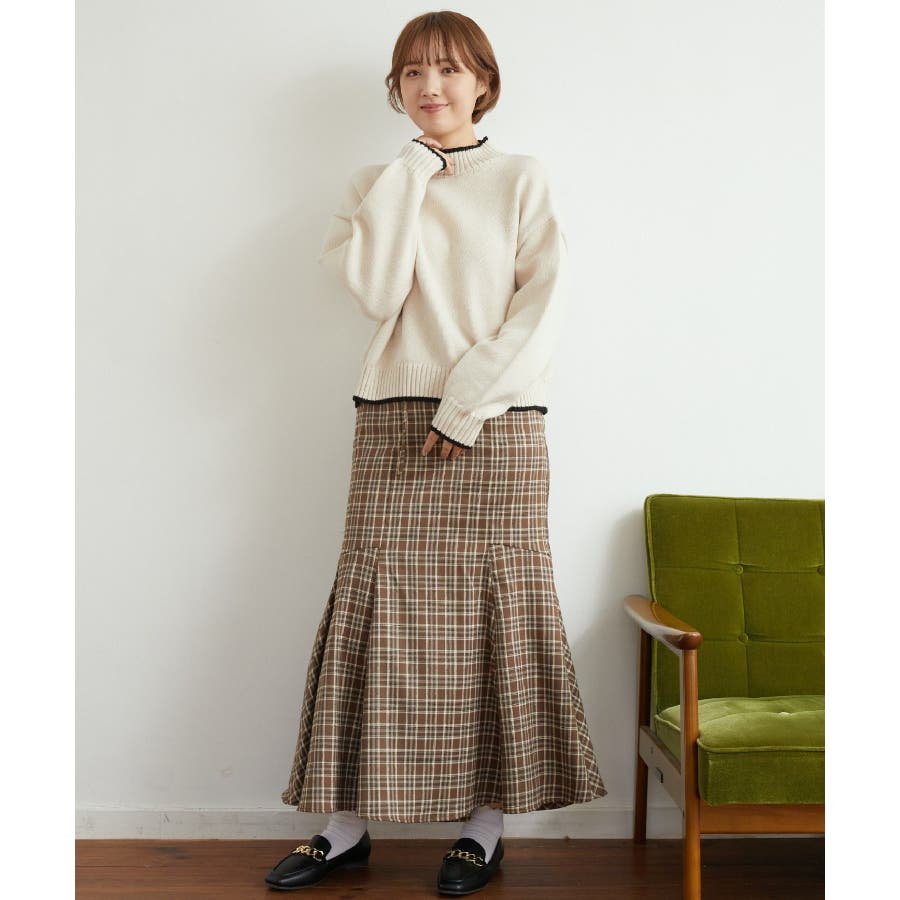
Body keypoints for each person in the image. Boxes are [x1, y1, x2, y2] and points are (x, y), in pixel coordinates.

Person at [265, 10, 607, 895]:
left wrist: (465, 405)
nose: (431, 86)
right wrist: (414, 172)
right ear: (396, 88)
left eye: (450, 69)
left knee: (495, 617)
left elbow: (541, 310)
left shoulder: (523, 178)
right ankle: (345, 827)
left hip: (496, 421)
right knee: (375, 613)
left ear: (483, 82)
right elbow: (379, 295)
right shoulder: (376, 182)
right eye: (413, 72)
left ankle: (484, 828)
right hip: (392, 416)